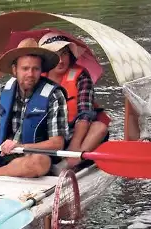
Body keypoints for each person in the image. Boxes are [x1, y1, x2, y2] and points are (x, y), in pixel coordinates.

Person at [0, 38, 70, 178]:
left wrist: (21, 146)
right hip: (1, 154)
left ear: (41, 71)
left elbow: (57, 143)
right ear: (15, 70)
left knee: (40, 161)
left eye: (35, 69)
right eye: (25, 68)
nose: (30, 74)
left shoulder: (54, 95)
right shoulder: (3, 90)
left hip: (31, 157)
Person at [38, 31, 111, 171]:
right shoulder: (36, 76)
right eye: (55, 54)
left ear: (70, 55)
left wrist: (75, 146)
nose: (60, 60)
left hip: (77, 132)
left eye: (64, 53)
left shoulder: (81, 76)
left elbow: (85, 113)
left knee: (100, 128)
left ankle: (70, 162)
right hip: (49, 133)